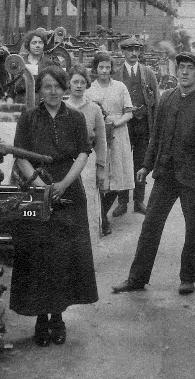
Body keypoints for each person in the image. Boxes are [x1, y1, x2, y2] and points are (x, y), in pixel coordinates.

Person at [112, 53, 195, 296]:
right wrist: (146, 165)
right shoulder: (167, 99)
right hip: (165, 174)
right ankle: (137, 278)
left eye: (189, 68)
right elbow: (156, 137)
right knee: (150, 224)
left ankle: (187, 279)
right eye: (181, 67)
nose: (184, 72)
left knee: (193, 228)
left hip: (193, 179)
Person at [8, 67, 98, 347]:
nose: (53, 92)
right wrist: (38, 185)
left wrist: (63, 184)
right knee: (38, 257)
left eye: (58, 86)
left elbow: (83, 153)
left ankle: (57, 318)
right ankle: (40, 319)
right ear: (40, 90)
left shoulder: (76, 117)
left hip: (69, 190)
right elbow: (20, 154)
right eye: (47, 87)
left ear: (65, 88)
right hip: (36, 190)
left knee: (64, 258)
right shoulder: (28, 118)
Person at [84, 51, 135, 235]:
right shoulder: (90, 89)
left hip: (118, 133)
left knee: (118, 177)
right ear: (95, 69)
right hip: (98, 135)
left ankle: (102, 215)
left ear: (111, 68)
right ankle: (101, 217)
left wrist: (115, 123)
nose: (104, 71)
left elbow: (129, 112)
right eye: (101, 67)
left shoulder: (120, 87)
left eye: (107, 67)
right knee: (101, 174)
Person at [114, 36, 160, 217]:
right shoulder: (116, 75)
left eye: (136, 50)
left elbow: (156, 101)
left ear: (140, 52)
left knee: (141, 162)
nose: (133, 53)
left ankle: (138, 200)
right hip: (124, 125)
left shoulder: (148, 73)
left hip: (143, 125)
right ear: (123, 52)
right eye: (129, 50)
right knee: (122, 162)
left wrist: (155, 129)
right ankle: (122, 201)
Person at [66, 65, 108, 250]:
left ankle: (88, 251)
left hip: (88, 163)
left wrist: (101, 168)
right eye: (75, 81)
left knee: (88, 204)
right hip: (66, 162)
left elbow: (101, 141)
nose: (79, 86)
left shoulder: (94, 109)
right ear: (68, 84)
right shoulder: (61, 107)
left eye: (83, 82)